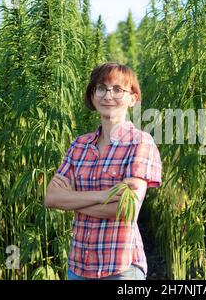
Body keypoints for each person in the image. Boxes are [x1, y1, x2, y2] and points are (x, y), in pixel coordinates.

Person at [44, 62, 162, 280]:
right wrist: (102, 196)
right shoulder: (79, 145)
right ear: (92, 95)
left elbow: (126, 209)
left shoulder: (140, 143)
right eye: (101, 88)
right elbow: (51, 198)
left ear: (132, 98)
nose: (108, 95)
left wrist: (72, 200)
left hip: (121, 266)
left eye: (118, 89)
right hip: (79, 266)